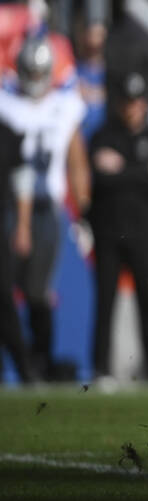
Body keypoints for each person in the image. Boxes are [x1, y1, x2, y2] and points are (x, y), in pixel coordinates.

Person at [0, 33, 89, 379]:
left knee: (38, 291)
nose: (35, 80)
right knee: (6, 290)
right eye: (29, 72)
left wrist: (82, 214)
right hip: (9, 207)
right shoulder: (6, 100)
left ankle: (39, 361)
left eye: (41, 73)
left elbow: (76, 160)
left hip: (48, 207)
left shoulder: (65, 105)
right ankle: (23, 364)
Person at [88, 71, 148, 382]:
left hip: (145, 234)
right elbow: (102, 178)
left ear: (145, 104)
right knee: (105, 301)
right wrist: (141, 172)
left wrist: (122, 167)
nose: (132, 108)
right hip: (109, 232)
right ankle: (101, 368)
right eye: (127, 102)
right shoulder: (104, 135)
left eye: (137, 102)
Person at [0, 116, 34, 383]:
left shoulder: (6, 132)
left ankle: (24, 367)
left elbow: (22, 179)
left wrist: (23, 225)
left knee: (3, 295)